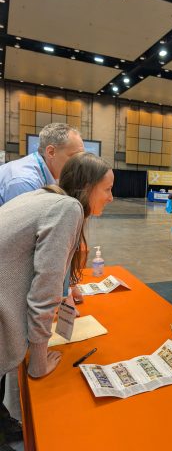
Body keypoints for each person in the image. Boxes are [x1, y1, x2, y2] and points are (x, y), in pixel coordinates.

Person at [0, 153, 113, 449]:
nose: (112, 198)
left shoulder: (46, 195)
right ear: (88, 187)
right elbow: (44, 290)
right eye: (107, 189)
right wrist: (38, 361)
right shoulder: (68, 208)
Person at [0, 122, 84, 448]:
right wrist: (37, 358)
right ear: (51, 152)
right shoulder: (30, 184)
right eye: (73, 156)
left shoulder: (45, 184)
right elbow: (41, 267)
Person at [0, 122, 84, 205]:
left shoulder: (50, 172)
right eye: (74, 156)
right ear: (51, 152)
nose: (80, 162)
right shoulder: (24, 182)